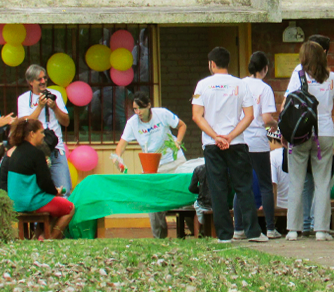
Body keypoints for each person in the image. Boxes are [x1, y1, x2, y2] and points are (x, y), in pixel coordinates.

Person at [191, 46, 262, 243]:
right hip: (237, 142)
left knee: (218, 188)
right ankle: (253, 232)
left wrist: (216, 136)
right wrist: (230, 136)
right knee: (243, 186)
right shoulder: (240, 84)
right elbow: (249, 116)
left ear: (211, 64)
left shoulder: (202, 85)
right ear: (227, 64)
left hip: (212, 145)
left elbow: (197, 116)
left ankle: (224, 235)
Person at [284, 41, 334, 241]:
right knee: (323, 182)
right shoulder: (332, 76)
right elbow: (333, 102)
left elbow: (288, 102)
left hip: (300, 132)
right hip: (324, 131)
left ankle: (293, 229)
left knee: (296, 181)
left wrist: (285, 132)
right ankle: (321, 230)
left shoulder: (297, 74)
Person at [114, 92, 187, 238]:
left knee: (186, 196)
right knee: (153, 202)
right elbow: (121, 145)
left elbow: (182, 125)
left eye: (140, 108)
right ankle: (159, 238)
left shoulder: (162, 114)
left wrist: (177, 142)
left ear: (148, 106)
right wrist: (118, 157)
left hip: (174, 161)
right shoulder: (132, 123)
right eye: (135, 109)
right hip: (153, 166)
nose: (138, 112)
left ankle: (197, 232)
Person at [5, 117, 74, 239]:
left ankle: (40, 236)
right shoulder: (36, 154)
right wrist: (56, 191)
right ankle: (50, 238)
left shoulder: (15, 153)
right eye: (41, 132)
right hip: (30, 202)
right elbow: (45, 183)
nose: (43, 136)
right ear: (32, 134)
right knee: (69, 208)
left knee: (54, 205)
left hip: (16, 202)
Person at [239, 52, 280, 238]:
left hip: (239, 140)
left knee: (242, 184)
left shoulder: (239, 85)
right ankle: (270, 228)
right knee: (265, 184)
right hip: (258, 141)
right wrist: (275, 124)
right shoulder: (265, 88)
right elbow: (265, 118)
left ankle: (238, 228)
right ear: (264, 69)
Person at [16, 64, 72, 195]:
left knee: (65, 190)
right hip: (34, 150)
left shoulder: (55, 94)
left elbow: (66, 122)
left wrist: (54, 107)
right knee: (38, 191)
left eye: (44, 78)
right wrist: (40, 107)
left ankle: (63, 213)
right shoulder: (23, 99)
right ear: (30, 82)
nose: (43, 81)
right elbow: (25, 123)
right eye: (39, 79)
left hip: (56, 149)